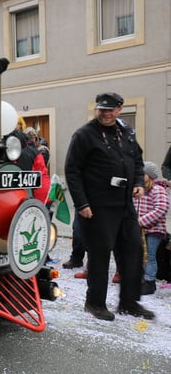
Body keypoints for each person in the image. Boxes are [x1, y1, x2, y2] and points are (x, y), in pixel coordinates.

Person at [65, 91, 154, 321]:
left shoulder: (127, 132)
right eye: (102, 109)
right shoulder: (84, 135)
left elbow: (137, 161)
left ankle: (129, 303)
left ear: (119, 109)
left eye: (110, 109)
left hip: (124, 203)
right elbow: (72, 171)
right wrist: (81, 203)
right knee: (100, 254)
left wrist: (138, 183)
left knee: (133, 251)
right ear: (97, 109)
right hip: (97, 205)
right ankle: (95, 303)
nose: (105, 113)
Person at [133, 161, 170, 295]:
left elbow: (161, 208)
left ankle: (150, 282)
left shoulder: (157, 190)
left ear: (150, 175)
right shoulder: (138, 189)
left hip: (154, 230)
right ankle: (141, 279)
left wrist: (141, 221)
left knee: (150, 256)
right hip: (139, 229)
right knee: (140, 255)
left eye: (142, 174)